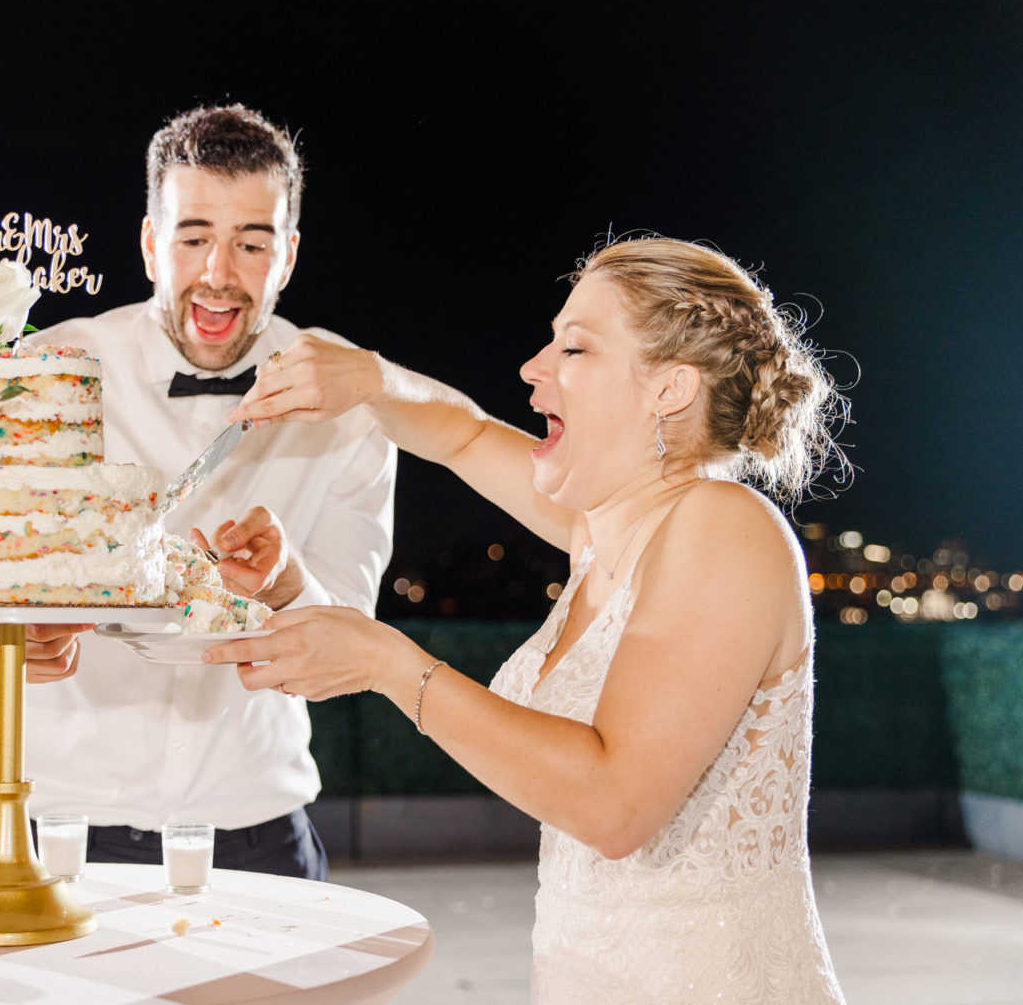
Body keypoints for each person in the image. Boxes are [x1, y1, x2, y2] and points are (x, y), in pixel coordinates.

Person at [211, 236, 849, 1001]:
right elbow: (463, 434)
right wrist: (370, 381)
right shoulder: (601, 534)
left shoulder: (724, 526)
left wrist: (391, 664)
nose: (533, 368)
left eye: (574, 348)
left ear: (669, 390)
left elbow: (615, 805)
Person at [0, 104, 397, 880]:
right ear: (152, 243)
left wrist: (290, 585)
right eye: (193, 238)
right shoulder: (45, 372)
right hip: (57, 838)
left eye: (251, 243)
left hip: (261, 837)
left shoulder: (348, 395)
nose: (219, 273)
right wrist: (14, 645)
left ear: (286, 256)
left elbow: (349, 654)